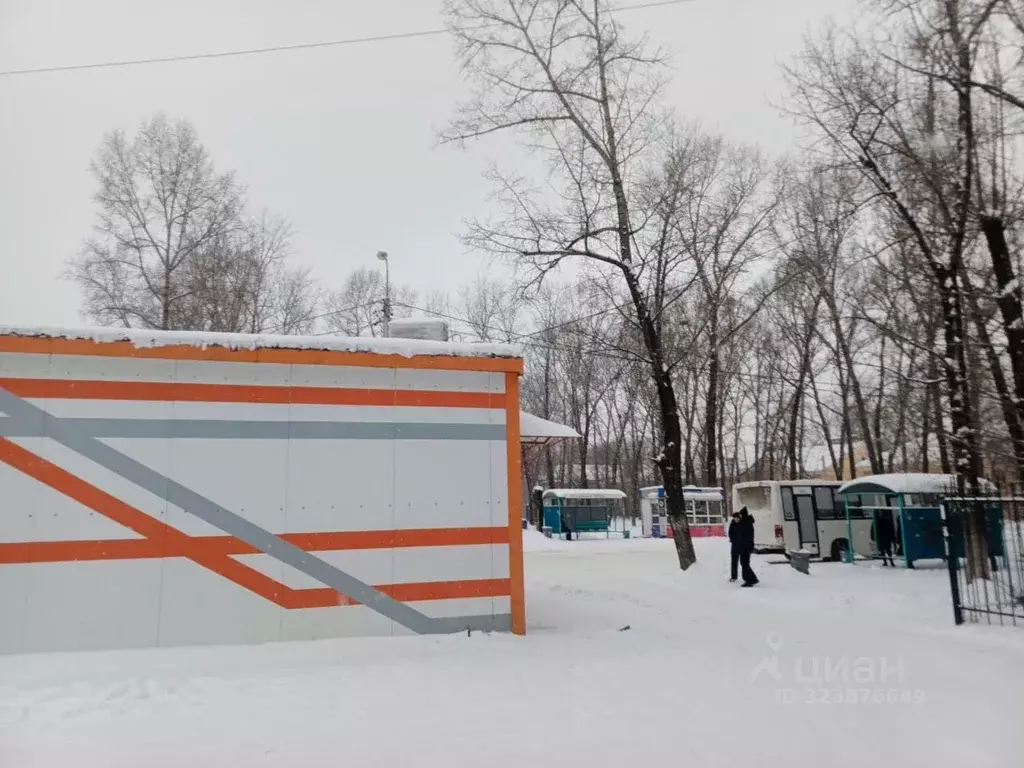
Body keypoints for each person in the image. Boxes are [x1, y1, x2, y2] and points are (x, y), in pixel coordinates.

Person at [737, 507, 759, 587]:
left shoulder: (746, 523)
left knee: (744, 563)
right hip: (747, 546)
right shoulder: (747, 522)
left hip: (745, 546)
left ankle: (749, 580)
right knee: (745, 563)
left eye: (741, 515)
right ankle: (752, 579)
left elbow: (744, 536)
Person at [727, 511, 742, 582]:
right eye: (736, 518)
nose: (737, 519)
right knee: (734, 562)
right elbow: (730, 534)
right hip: (735, 546)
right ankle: (734, 577)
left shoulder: (743, 525)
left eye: (738, 518)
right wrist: (733, 540)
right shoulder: (732, 525)